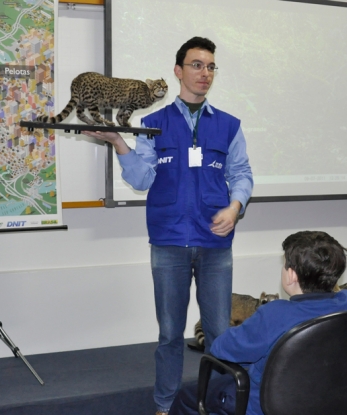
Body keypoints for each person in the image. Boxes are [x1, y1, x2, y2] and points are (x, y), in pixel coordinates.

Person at [83, 36, 253, 415]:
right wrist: (118, 143)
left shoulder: (228, 126)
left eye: (210, 66)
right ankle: (164, 405)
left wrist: (235, 206)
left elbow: (241, 172)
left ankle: (222, 402)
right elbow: (142, 179)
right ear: (178, 71)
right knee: (170, 335)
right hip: (168, 243)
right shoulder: (152, 124)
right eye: (196, 65)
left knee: (220, 336)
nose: (204, 73)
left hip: (215, 243)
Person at [169, 230, 347, 415]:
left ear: (291, 275)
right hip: (336, 401)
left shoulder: (274, 315)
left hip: (264, 405)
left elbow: (221, 349)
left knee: (187, 396)